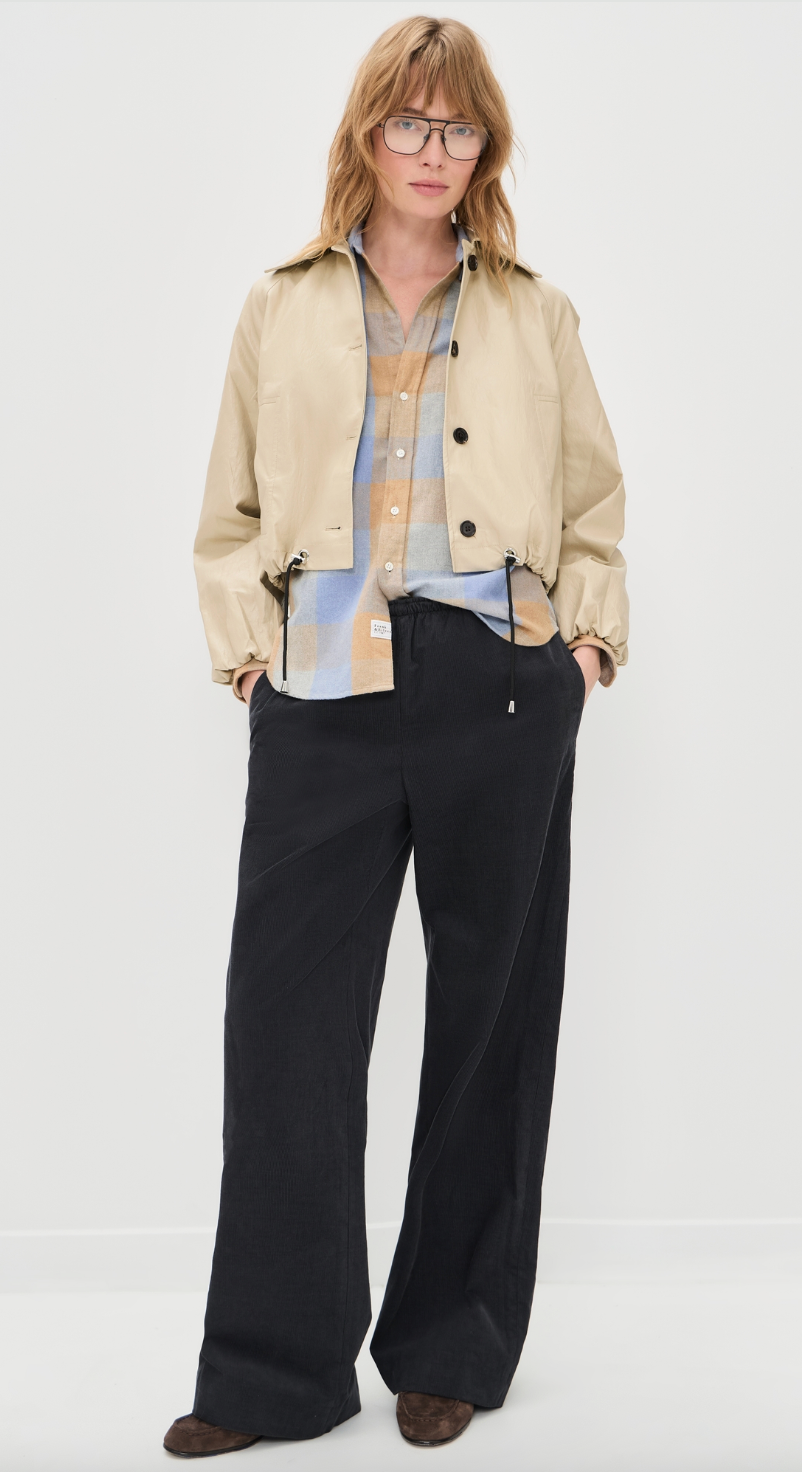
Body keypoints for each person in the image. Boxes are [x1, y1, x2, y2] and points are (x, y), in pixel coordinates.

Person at [164, 13, 628, 1458]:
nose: (434, 150)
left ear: (486, 147)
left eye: (459, 126)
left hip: (500, 680)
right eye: (410, 122)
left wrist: (583, 651)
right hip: (321, 689)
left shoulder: (536, 313)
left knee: (490, 1023)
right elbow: (230, 513)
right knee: (286, 1033)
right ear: (366, 135)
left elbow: (593, 505)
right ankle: (272, 1372)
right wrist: (250, 662)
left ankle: (451, 1347)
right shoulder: (282, 303)